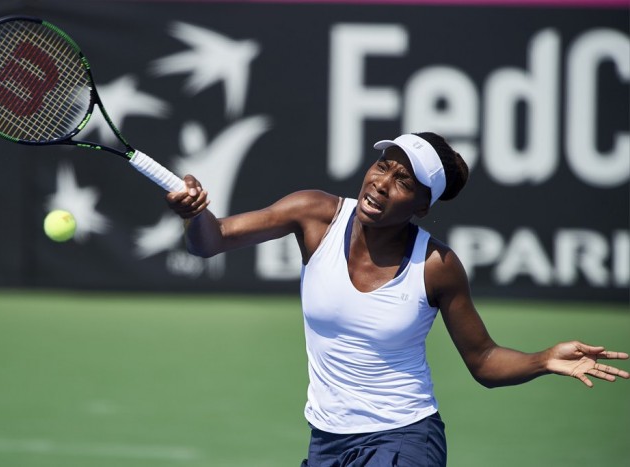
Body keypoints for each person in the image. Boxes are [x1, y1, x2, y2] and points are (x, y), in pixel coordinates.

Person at [165, 131, 629, 467]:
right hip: (326, 442)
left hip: (405, 440)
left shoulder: (437, 265)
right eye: (383, 165)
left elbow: (484, 360)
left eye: (404, 181)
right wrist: (195, 213)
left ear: (422, 206)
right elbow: (212, 240)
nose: (382, 182)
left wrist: (543, 359)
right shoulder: (315, 213)